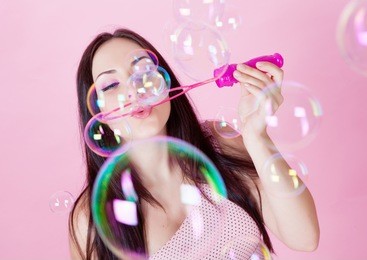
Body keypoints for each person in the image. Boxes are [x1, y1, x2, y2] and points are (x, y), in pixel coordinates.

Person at [69, 28, 320, 259]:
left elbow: (305, 237)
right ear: (97, 115)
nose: (134, 91)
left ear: (165, 83)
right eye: (111, 85)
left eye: (143, 72)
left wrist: (256, 134)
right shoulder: (89, 218)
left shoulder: (218, 142)